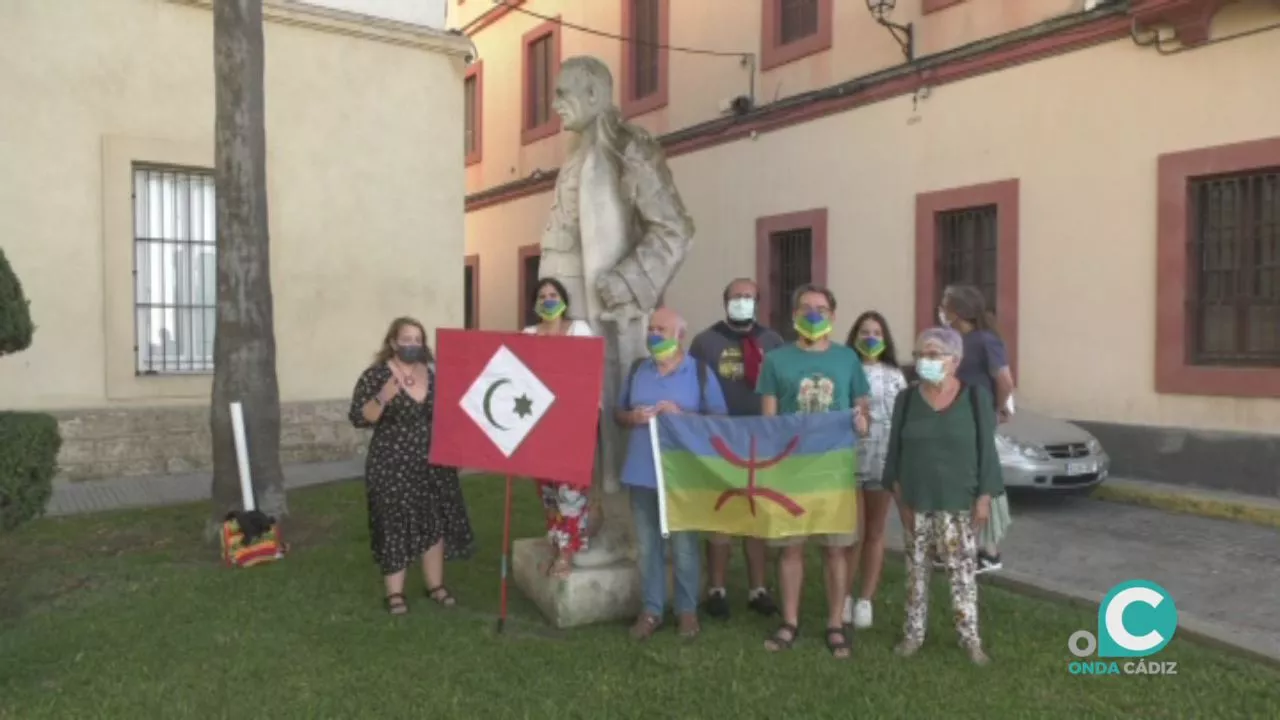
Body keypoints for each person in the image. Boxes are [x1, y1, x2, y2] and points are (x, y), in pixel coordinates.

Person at [757, 284, 870, 659]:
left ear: (834, 316)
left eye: (821, 308)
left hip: (834, 470)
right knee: (791, 548)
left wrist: (861, 421)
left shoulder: (848, 360)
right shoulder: (776, 360)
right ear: (793, 314)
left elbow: (863, 410)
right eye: (806, 308)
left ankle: (835, 623)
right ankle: (789, 621)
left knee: (836, 551)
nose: (813, 314)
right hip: (791, 468)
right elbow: (768, 419)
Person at [884, 327, 1001, 665]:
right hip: (916, 501)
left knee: (962, 574)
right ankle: (913, 635)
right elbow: (894, 454)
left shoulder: (975, 397)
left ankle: (970, 640)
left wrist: (983, 497)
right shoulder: (905, 401)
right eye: (921, 354)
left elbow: (986, 453)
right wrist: (900, 500)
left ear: (955, 360)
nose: (925, 361)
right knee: (915, 575)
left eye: (934, 355)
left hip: (958, 502)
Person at [348, 317, 475, 614]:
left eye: (418, 340)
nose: (412, 345)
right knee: (393, 523)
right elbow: (359, 417)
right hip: (391, 463)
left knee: (433, 523)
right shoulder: (376, 375)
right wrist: (382, 396)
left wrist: (454, 451)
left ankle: (436, 585)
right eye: (406, 339)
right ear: (393, 342)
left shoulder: (432, 374)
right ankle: (395, 593)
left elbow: (448, 417)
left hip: (433, 463)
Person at [616, 306, 728, 641]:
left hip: (683, 477)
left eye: (661, 329)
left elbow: (720, 421)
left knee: (684, 546)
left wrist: (681, 415)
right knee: (648, 546)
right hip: (641, 473)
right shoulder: (638, 369)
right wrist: (632, 418)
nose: (653, 334)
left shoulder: (700, 373)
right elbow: (617, 413)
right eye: (651, 328)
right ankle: (651, 610)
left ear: (680, 335)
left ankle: (687, 610)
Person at [688, 278, 785, 619]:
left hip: (762, 440)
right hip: (720, 438)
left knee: (756, 512)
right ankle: (717, 588)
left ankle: (759, 589)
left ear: (758, 302)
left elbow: (782, 388)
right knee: (721, 514)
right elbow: (693, 386)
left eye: (749, 297)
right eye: (736, 297)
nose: (742, 301)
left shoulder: (772, 341)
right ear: (725, 301)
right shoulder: (705, 342)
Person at [522, 278, 596, 579]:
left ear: (564, 300)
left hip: (574, 422)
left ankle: (566, 553)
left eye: (554, 295)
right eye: (543, 296)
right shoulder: (527, 335)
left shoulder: (579, 331)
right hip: (540, 424)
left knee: (571, 490)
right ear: (535, 303)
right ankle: (556, 542)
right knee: (549, 492)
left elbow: (592, 371)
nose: (549, 300)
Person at [938, 284, 1014, 573]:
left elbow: (1005, 380)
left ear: (956, 311)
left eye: (945, 305)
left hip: (976, 418)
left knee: (982, 481)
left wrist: (996, 407)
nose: (941, 310)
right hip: (956, 418)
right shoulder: (956, 340)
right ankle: (964, 546)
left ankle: (989, 551)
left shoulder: (985, 340)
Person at [840, 311, 908, 630]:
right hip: (850, 460)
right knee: (852, 532)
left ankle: (866, 599)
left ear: (885, 339)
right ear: (854, 336)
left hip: (882, 461)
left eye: (876, 333)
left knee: (875, 531)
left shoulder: (894, 375)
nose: (870, 338)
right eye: (864, 332)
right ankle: (844, 596)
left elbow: (903, 419)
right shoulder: (843, 369)